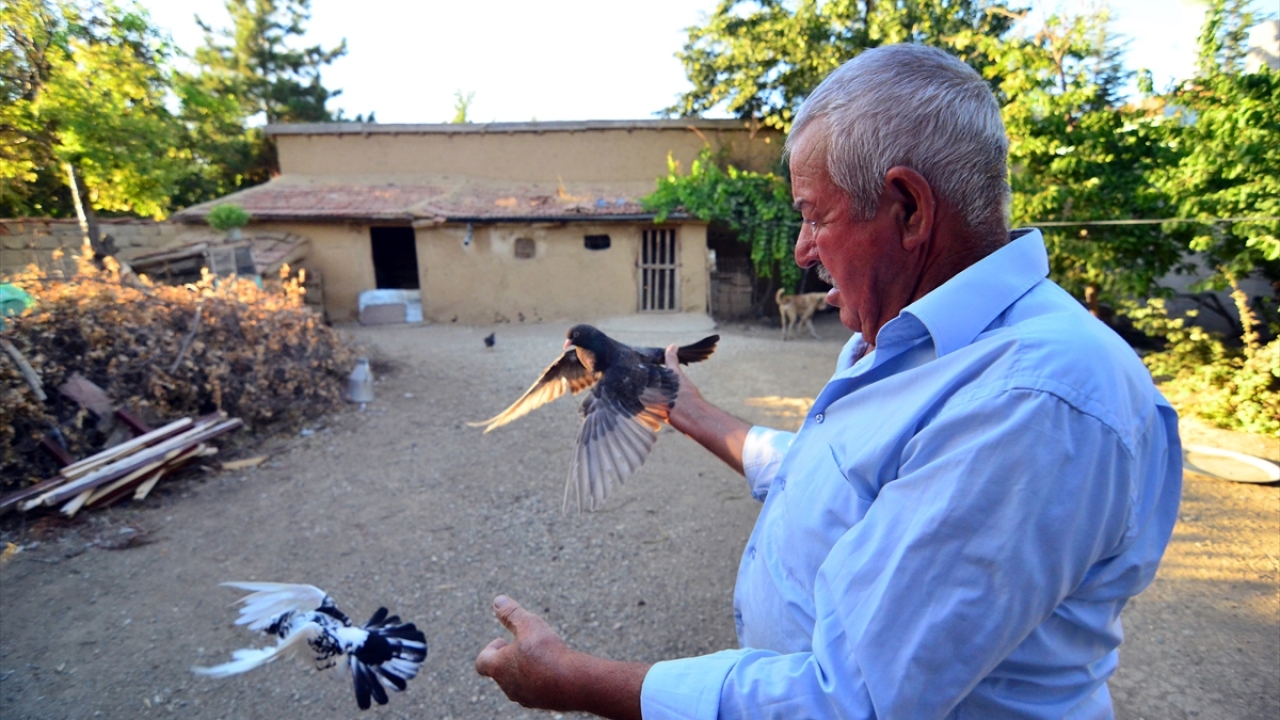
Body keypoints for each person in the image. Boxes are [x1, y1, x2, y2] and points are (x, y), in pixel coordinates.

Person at [475, 43, 1183, 719]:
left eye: (815, 215)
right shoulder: (906, 335)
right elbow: (847, 478)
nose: (801, 250)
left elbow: (850, 702)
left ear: (908, 209)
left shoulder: (1032, 403)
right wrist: (700, 415)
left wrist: (571, 680)